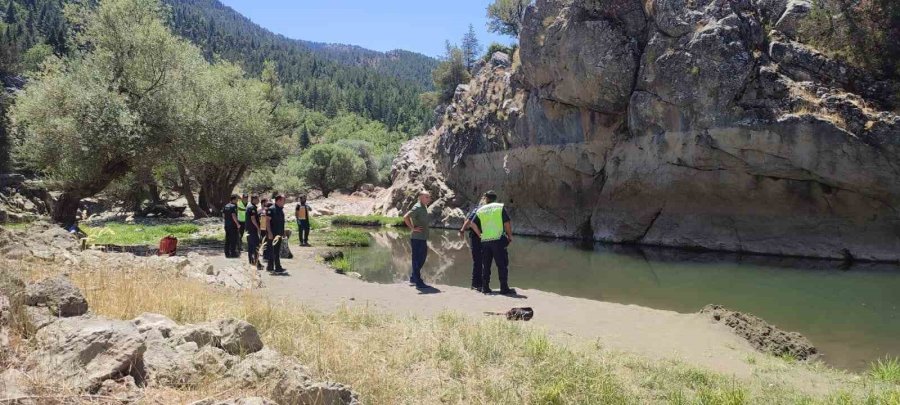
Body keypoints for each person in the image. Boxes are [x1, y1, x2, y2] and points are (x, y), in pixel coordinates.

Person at [471, 190, 514, 295]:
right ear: (495, 198)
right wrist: (509, 235)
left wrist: (479, 234)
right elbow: (507, 223)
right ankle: (504, 288)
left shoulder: (481, 209)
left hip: (485, 240)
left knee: (486, 265)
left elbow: (472, 224)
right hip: (498, 239)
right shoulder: (499, 207)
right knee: (502, 264)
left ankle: (485, 288)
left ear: (486, 199)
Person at [403, 190, 432, 289]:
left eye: (429, 197)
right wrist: (412, 228)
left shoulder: (423, 206)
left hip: (422, 237)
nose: (429, 199)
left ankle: (413, 277)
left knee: (422, 258)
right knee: (417, 259)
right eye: (426, 197)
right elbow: (406, 217)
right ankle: (418, 282)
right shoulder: (417, 207)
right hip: (417, 238)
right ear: (420, 197)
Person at [459, 195, 485, 291]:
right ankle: (476, 284)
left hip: (480, 237)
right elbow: (470, 221)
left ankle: (478, 283)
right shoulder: (479, 209)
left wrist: (462, 230)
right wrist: (462, 230)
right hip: (478, 237)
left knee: (479, 261)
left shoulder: (478, 209)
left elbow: (468, 220)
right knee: (479, 261)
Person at [266, 195, 287, 273]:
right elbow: (267, 222)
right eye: (283, 200)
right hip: (273, 233)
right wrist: (269, 232)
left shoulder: (280, 209)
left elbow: (281, 222)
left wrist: (283, 232)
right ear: (278, 200)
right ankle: (277, 267)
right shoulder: (271, 209)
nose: (284, 202)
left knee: (276, 250)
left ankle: (270, 266)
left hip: (279, 233)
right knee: (273, 250)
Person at [245, 195, 262, 269]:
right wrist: (258, 228)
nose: (258, 200)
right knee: (256, 246)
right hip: (253, 230)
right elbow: (253, 219)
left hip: (249, 229)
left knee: (250, 247)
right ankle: (257, 263)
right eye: (257, 199)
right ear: (254, 199)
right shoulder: (252, 208)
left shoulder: (249, 206)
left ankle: (251, 262)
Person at [259, 198, 272, 262]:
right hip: (266, 230)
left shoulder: (262, 211)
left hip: (263, 230)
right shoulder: (266, 212)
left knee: (265, 243)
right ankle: (266, 256)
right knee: (267, 243)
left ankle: (266, 256)